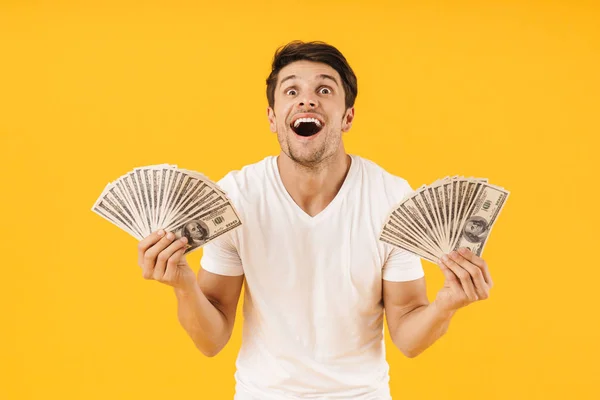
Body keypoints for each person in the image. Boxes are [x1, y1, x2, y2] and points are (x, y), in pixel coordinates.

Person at [136, 40, 495, 400]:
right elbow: (211, 340)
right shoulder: (236, 197)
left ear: (347, 117)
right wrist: (183, 285)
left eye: (324, 89)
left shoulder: (390, 197)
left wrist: (447, 304)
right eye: (292, 90)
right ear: (273, 118)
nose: (307, 100)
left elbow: (408, 338)